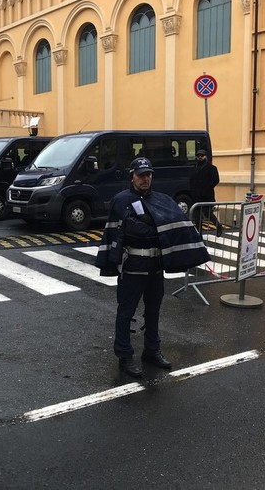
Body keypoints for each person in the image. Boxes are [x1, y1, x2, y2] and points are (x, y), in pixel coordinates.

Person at [95, 157, 210, 378]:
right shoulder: (121, 200)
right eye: (140, 175)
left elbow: (177, 227)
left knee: (153, 311)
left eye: (148, 175)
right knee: (126, 312)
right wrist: (154, 229)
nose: (145, 179)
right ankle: (124, 355)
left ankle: (152, 350)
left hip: (156, 267)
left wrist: (151, 228)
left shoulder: (163, 200)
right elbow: (128, 230)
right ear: (132, 177)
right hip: (132, 269)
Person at [189, 149, 223, 236]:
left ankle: (218, 226)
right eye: (198, 156)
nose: (200, 157)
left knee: (208, 214)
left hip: (207, 196)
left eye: (202, 156)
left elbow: (215, 180)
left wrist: (205, 189)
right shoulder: (195, 168)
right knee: (197, 217)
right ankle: (199, 235)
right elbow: (191, 180)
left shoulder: (211, 168)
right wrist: (193, 191)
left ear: (206, 156)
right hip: (196, 196)